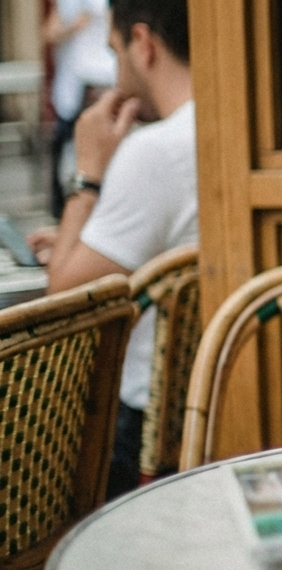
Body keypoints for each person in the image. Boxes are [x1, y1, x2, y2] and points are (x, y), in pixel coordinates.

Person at [29, 0, 196, 500]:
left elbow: (61, 297)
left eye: (115, 52)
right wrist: (80, 243)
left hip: (150, 433)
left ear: (143, 45)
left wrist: (89, 172)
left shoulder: (155, 151)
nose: (115, 74)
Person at [44, 0, 118, 219]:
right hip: (75, 85)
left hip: (104, 79)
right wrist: (72, 27)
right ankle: (67, 213)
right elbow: (50, 32)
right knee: (70, 154)